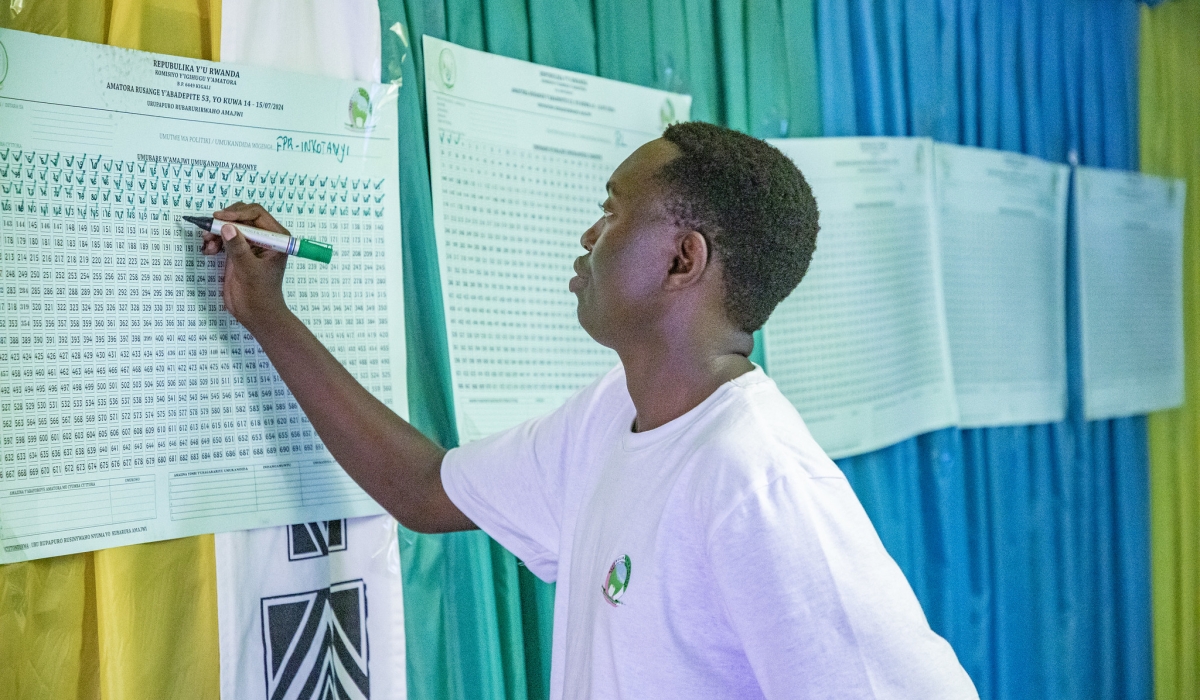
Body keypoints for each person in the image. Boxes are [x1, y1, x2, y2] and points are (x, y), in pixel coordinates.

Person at [203, 121, 978, 699]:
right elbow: (426, 490)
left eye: (612, 211)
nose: (588, 234)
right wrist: (268, 315)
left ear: (683, 259)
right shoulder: (609, 419)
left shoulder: (757, 482)